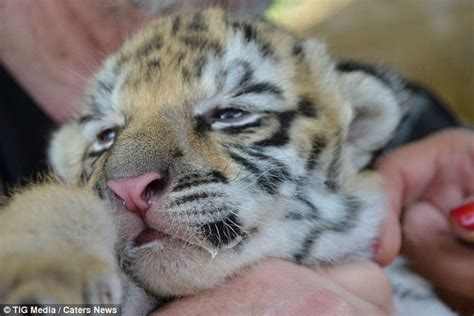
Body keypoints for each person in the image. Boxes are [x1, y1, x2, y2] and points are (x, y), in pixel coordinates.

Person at [1, 1, 472, 314]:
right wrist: (53, 244)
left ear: (353, 134)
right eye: (106, 136)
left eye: (231, 114)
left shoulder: (399, 121)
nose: (128, 176)